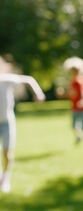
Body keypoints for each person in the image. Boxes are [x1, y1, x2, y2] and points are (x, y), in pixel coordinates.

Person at [0, 56, 46, 192]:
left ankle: (6, 178)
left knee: (7, 153)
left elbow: (28, 79)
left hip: (7, 122)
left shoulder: (6, 79)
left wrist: (38, 93)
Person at [56, 57, 83, 152]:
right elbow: (71, 94)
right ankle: (79, 136)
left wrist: (82, 100)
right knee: (74, 126)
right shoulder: (72, 82)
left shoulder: (80, 81)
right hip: (75, 108)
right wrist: (62, 95)